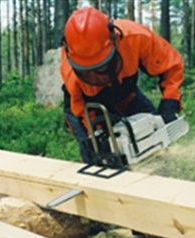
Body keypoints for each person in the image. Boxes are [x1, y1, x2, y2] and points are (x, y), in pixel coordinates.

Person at [59, 7, 184, 164]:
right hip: (90, 105)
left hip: (128, 95)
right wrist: (96, 134)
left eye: (102, 65)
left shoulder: (136, 37)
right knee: (97, 156)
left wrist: (170, 102)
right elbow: (80, 109)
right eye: (93, 69)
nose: (99, 71)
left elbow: (171, 66)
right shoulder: (71, 72)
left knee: (156, 138)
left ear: (114, 37)